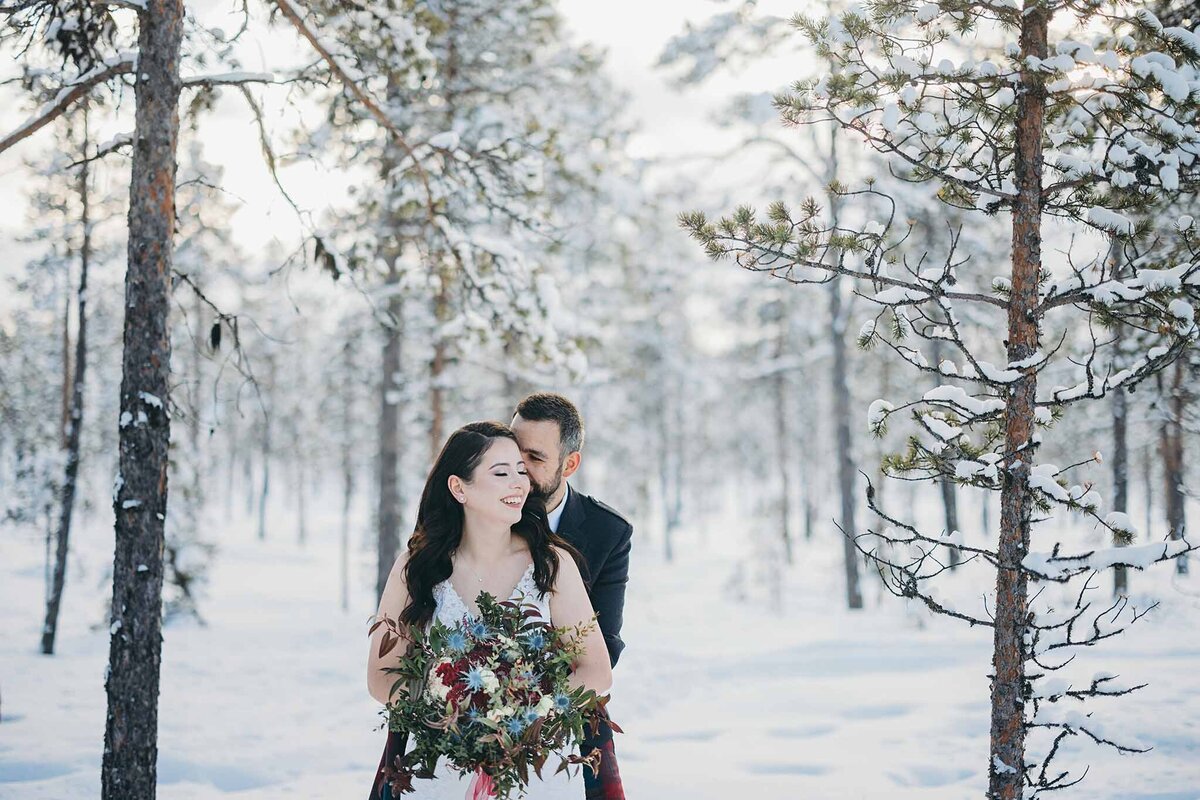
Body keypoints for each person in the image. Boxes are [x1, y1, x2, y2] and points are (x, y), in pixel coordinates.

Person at [367, 421, 612, 799]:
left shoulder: (552, 564)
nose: (519, 483)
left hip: (534, 767)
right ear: (458, 487)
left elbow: (597, 671)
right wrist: (452, 714)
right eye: (501, 473)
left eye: (520, 471)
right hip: (440, 766)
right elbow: (382, 676)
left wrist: (528, 714)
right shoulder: (415, 567)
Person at [511, 393, 630, 800]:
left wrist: (526, 703)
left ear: (570, 464)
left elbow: (606, 647)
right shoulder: (470, 515)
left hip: (566, 705)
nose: (518, 469)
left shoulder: (607, 531)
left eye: (535, 457)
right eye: (513, 450)